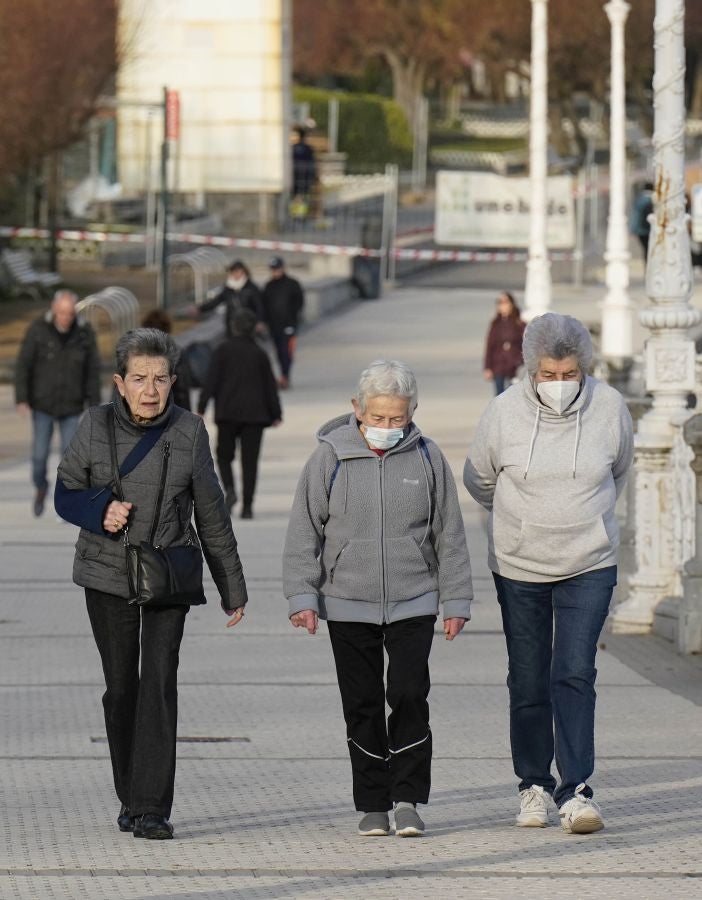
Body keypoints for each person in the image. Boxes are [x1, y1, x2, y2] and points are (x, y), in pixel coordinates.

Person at [54, 328, 248, 840]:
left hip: (168, 574)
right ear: (120, 382)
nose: (150, 389)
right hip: (106, 573)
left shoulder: (189, 432)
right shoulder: (92, 426)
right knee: (122, 690)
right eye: (139, 378)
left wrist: (232, 585)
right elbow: (65, 493)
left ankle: (152, 808)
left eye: (160, 379)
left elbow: (211, 512)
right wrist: (101, 510)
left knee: (159, 685)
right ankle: (129, 795)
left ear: (174, 382)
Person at [283, 360, 473, 838]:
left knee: (409, 695)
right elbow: (304, 530)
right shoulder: (329, 458)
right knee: (362, 702)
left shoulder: (428, 458)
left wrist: (457, 600)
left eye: (398, 419)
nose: (388, 428)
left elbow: (449, 532)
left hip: (415, 598)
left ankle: (407, 798)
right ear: (357, 409)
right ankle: (372, 803)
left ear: (412, 412)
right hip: (347, 600)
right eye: (379, 418)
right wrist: (302, 595)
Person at [463, 313, 634, 835]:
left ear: (584, 368)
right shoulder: (502, 413)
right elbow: (479, 479)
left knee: (575, 673)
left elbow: (619, 470)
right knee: (529, 675)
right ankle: (532, 784)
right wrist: (521, 521)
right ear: (530, 369)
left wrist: (585, 518)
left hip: (590, 562)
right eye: (548, 375)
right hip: (520, 564)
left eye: (569, 375)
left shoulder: (610, 407)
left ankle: (577, 789)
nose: (558, 385)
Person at [15, 289, 101, 516]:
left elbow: (93, 370)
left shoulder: (84, 333)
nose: (66, 318)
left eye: (70, 313)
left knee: (70, 457)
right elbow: (24, 364)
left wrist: (95, 404)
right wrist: (22, 398)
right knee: (39, 456)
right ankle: (41, 487)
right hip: (42, 403)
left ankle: (66, 502)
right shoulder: (38, 330)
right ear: (54, 310)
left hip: (72, 405)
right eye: (62, 313)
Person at [197, 308, 282, 519]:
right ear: (253, 328)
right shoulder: (260, 353)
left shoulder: (222, 351)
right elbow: (269, 385)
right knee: (250, 462)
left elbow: (211, 380)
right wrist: (276, 412)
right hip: (255, 415)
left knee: (224, 456)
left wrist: (202, 405)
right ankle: (248, 506)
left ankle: (230, 489)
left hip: (228, 413)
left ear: (233, 327)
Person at [262, 256, 304, 389]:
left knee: (287, 351)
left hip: (289, 325)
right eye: (273, 269)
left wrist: (292, 317)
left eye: (277, 269)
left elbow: (299, 302)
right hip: (274, 326)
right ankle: (283, 375)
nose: (275, 272)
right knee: (279, 352)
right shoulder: (269, 286)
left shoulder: (292, 284)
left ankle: (285, 376)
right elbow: (264, 305)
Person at [141, 308, 192, 410]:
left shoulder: (133, 353)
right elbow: (183, 388)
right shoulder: (177, 352)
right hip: (170, 412)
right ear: (167, 328)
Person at [199, 259, 264, 337]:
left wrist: (260, 321)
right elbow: (216, 301)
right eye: (232, 271)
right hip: (231, 326)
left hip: (248, 327)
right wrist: (200, 309)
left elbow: (259, 306)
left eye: (237, 271)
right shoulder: (228, 288)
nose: (234, 274)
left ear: (243, 272)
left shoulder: (252, 288)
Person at [483, 291, 526, 395]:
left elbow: (525, 344)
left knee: (513, 395)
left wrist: (520, 360)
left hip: (514, 366)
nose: (502, 305)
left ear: (511, 304)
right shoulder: (495, 324)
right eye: (500, 302)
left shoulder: (519, 323)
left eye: (505, 302)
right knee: (499, 396)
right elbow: (490, 345)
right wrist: (487, 367)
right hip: (498, 365)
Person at [630, 181, 654, 261]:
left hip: (639, 230)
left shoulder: (639, 199)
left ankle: (647, 265)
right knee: (649, 249)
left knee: (645, 249)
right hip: (647, 230)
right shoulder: (650, 200)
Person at [292, 126, 316, 201]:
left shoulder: (293, 148)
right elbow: (312, 164)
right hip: (305, 180)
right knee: (302, 197)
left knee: (297, 197)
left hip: (295, 179)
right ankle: (299, 210)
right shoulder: (308, 148)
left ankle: (297, 210)